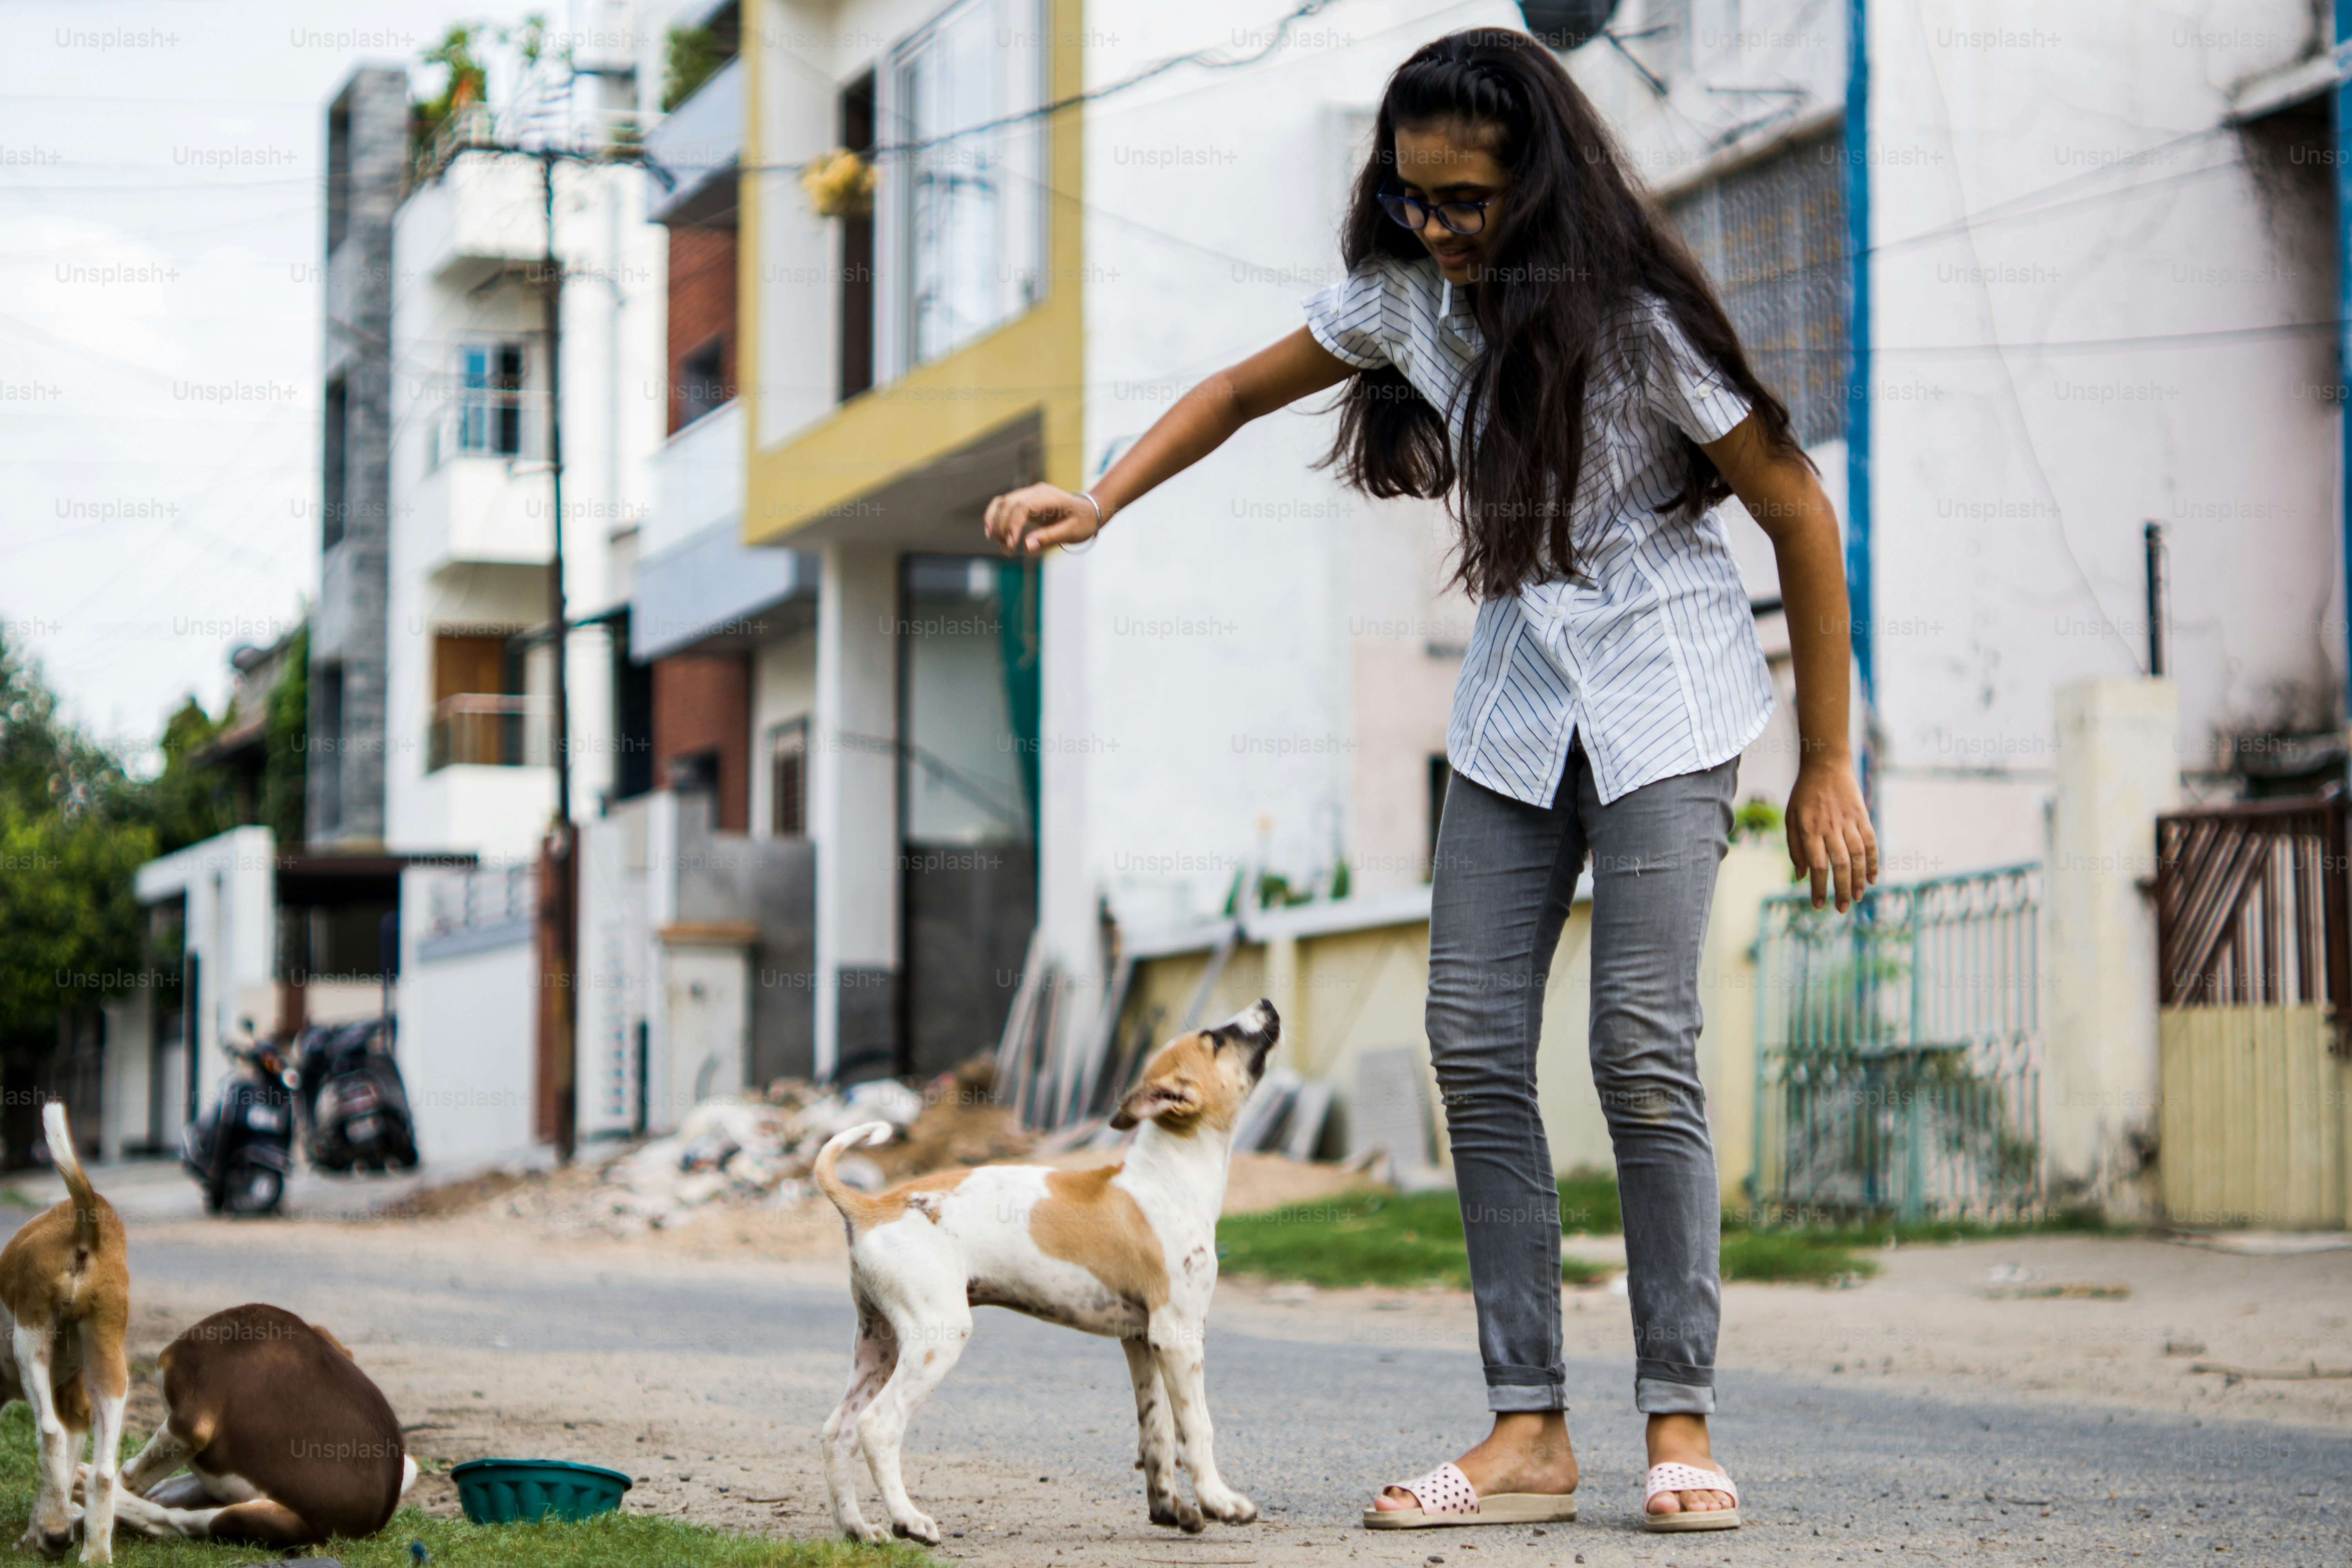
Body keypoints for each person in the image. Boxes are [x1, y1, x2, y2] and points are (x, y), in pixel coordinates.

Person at [982, 25, 1877, 1534]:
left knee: (1641, 1046)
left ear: (1540, 182)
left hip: (1669, 690)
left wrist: (1830, 764)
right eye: (1415, 200)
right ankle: (1528, 1430)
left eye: (1467, 201)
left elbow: (1799, 514)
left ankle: (1680, 1420)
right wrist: (1108, 493)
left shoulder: (1643, 322)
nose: (1441, 229)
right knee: (1470, 1040)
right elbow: (1237, 388)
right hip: (1524, 695)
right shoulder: (1404, 300)